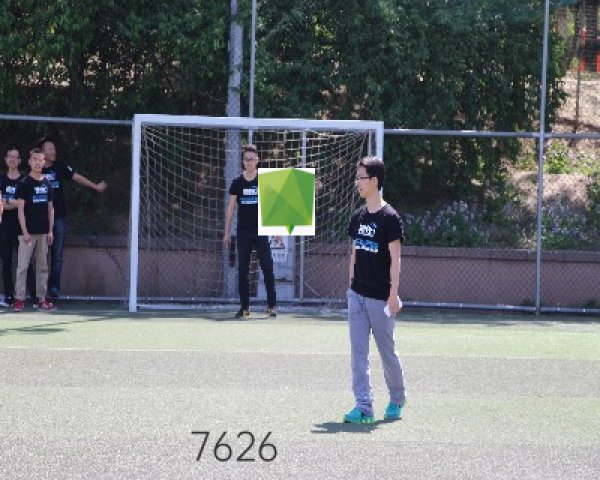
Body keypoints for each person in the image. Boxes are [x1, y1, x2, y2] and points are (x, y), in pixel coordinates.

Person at [344, 156, 406, 423]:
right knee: (358, 354)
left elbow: (396, 258)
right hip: (357, 296)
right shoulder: (357, 217)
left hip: (380, 298)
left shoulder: (390, 217)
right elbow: (354, 254)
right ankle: (363, 407)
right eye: (357, 177)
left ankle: (397, 398)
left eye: (362, 178)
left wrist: (393, 294)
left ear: (375, 181)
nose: (357, 182)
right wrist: (351, 288)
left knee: (386, 353)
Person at [38, 136, 108, 299]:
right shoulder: (36, 169)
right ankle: (38, 291)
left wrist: (95, 186)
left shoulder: (60, 167)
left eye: (54, 148)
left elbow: (77, 177)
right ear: (42, 152)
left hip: (59, 218)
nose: (54, 151)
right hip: (40, 219)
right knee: (40, 256)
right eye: (50, 148)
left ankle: (53, 289)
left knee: (57, 256)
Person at [223, 144, 276, 318]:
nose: (249, 162)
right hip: (244, 232)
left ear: (257, 160)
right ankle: (245, 307)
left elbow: (277, 202)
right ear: (243, 161)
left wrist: (278, 229)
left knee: (267, 268)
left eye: (252, 159)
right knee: (243, 270)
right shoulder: (237, 182)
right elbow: (231, 207)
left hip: (261, 231)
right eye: (246, 159)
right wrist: (226, 232)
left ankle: (272, 306)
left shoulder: (265, 180)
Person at [12, 148, 55, 312]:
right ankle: (19, 299)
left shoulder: (48, 183)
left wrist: (50, 231)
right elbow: (20, 210)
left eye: (40, 159)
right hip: (27, 233)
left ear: (44, 162)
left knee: (42, 267)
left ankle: (41, 300)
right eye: (35, 159)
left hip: (43, 233)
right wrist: (24, 231)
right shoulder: (24, 183)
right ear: (29, 162)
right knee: (22, 266)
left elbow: (50, 208)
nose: (38, 162)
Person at [0, 144, 36, 307]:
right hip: (4, 228)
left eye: (16, 157)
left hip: (23, 227)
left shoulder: (25, 180)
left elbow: (26, 203)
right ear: (6, 159)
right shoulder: (1, 179)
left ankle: (34, 297)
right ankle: (9, 296)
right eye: (10, 156)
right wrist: (15, 203)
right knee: (6, 263)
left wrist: (7, 201)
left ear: (20, 160)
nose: (13, 159)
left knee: (26, 263)